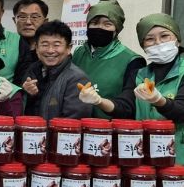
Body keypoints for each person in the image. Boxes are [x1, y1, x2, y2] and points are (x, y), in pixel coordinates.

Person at [79, 13, 184, 163]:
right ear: (143, 46)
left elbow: (181, 111)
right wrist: (99, 101)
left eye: (165, 36)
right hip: (146, 157)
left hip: (178, 157)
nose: (158, 43)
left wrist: (159, 100)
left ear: (177, 39)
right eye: (149, 39)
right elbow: (125, 107)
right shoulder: (140, 74)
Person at [71, 0, 145, 118]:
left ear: (116, 30)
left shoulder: (132, 60)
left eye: (107, 24)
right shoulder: (78, 53)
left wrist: (100, 102)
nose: (99, 28)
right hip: (75, 123)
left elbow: (129, 106)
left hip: (110, 126)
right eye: (94, 23)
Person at [23, 20, 92, 120]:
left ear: (69, 48)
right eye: (45, 45)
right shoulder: (31, 72)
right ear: (36, 48)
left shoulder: (77, 79)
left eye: (56, 45)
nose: (50, 50)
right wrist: (27, 95)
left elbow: (73, 121)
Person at [13, 0, 48, 70]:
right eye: (22, 17)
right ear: (14, 20)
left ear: (45, 22)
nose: (28, 22)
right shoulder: (7, 48)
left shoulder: (51, 51)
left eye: (34, 17)